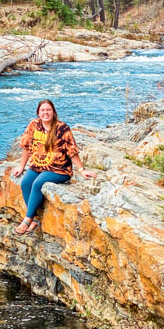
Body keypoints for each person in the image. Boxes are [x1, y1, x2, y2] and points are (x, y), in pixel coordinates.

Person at [11, 99, 96, 234]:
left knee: (38, 183)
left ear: (53, 112)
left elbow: (72, 151)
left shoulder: (62, 128)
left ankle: (27, 220)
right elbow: (26, 147)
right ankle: (35, 220)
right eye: (43, 110)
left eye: (48, 110)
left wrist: (81, 170)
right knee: (26, 182)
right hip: (37, 165)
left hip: (59, 169)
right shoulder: (33, 125)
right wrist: (21, 166)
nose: (46, 113)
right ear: (38, 113)